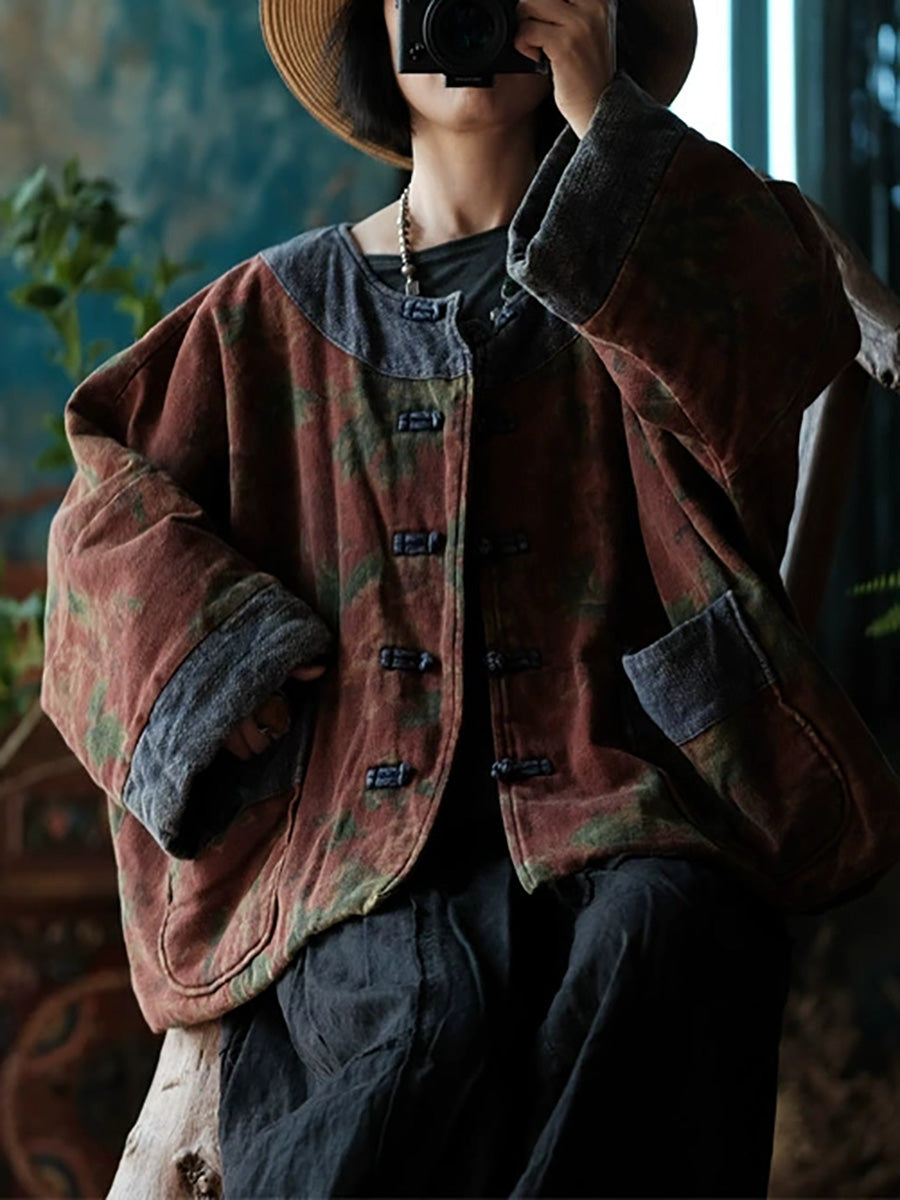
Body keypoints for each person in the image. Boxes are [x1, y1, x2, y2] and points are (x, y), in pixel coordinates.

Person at [41, 0, 900, 1194]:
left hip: (619, 797)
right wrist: (221, 661)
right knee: (411, 1019)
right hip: (350, 848)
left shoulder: (655, 257)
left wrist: (608, 125)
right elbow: (99, 512)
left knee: (671, 932)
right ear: (373, 27)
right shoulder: (265, 320)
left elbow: (778, 348)